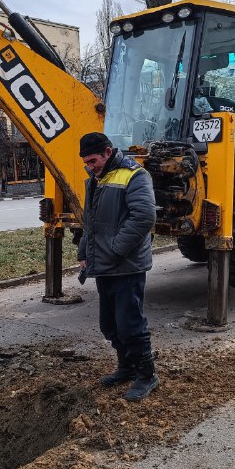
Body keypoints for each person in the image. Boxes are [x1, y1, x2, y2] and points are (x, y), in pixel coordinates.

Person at [77, 132, 159, 402]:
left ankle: (147, 375)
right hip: (105, 264)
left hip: (127, 265)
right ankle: (126, 367)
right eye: (87, 163)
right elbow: (92, 221)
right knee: (110, 325)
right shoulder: (96, 179)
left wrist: (114, 250)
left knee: (130, 324)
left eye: (93, 160)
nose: (90, 166)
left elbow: (144, 216)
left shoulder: (135, 175)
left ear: (108, 152)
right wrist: (84, 252)